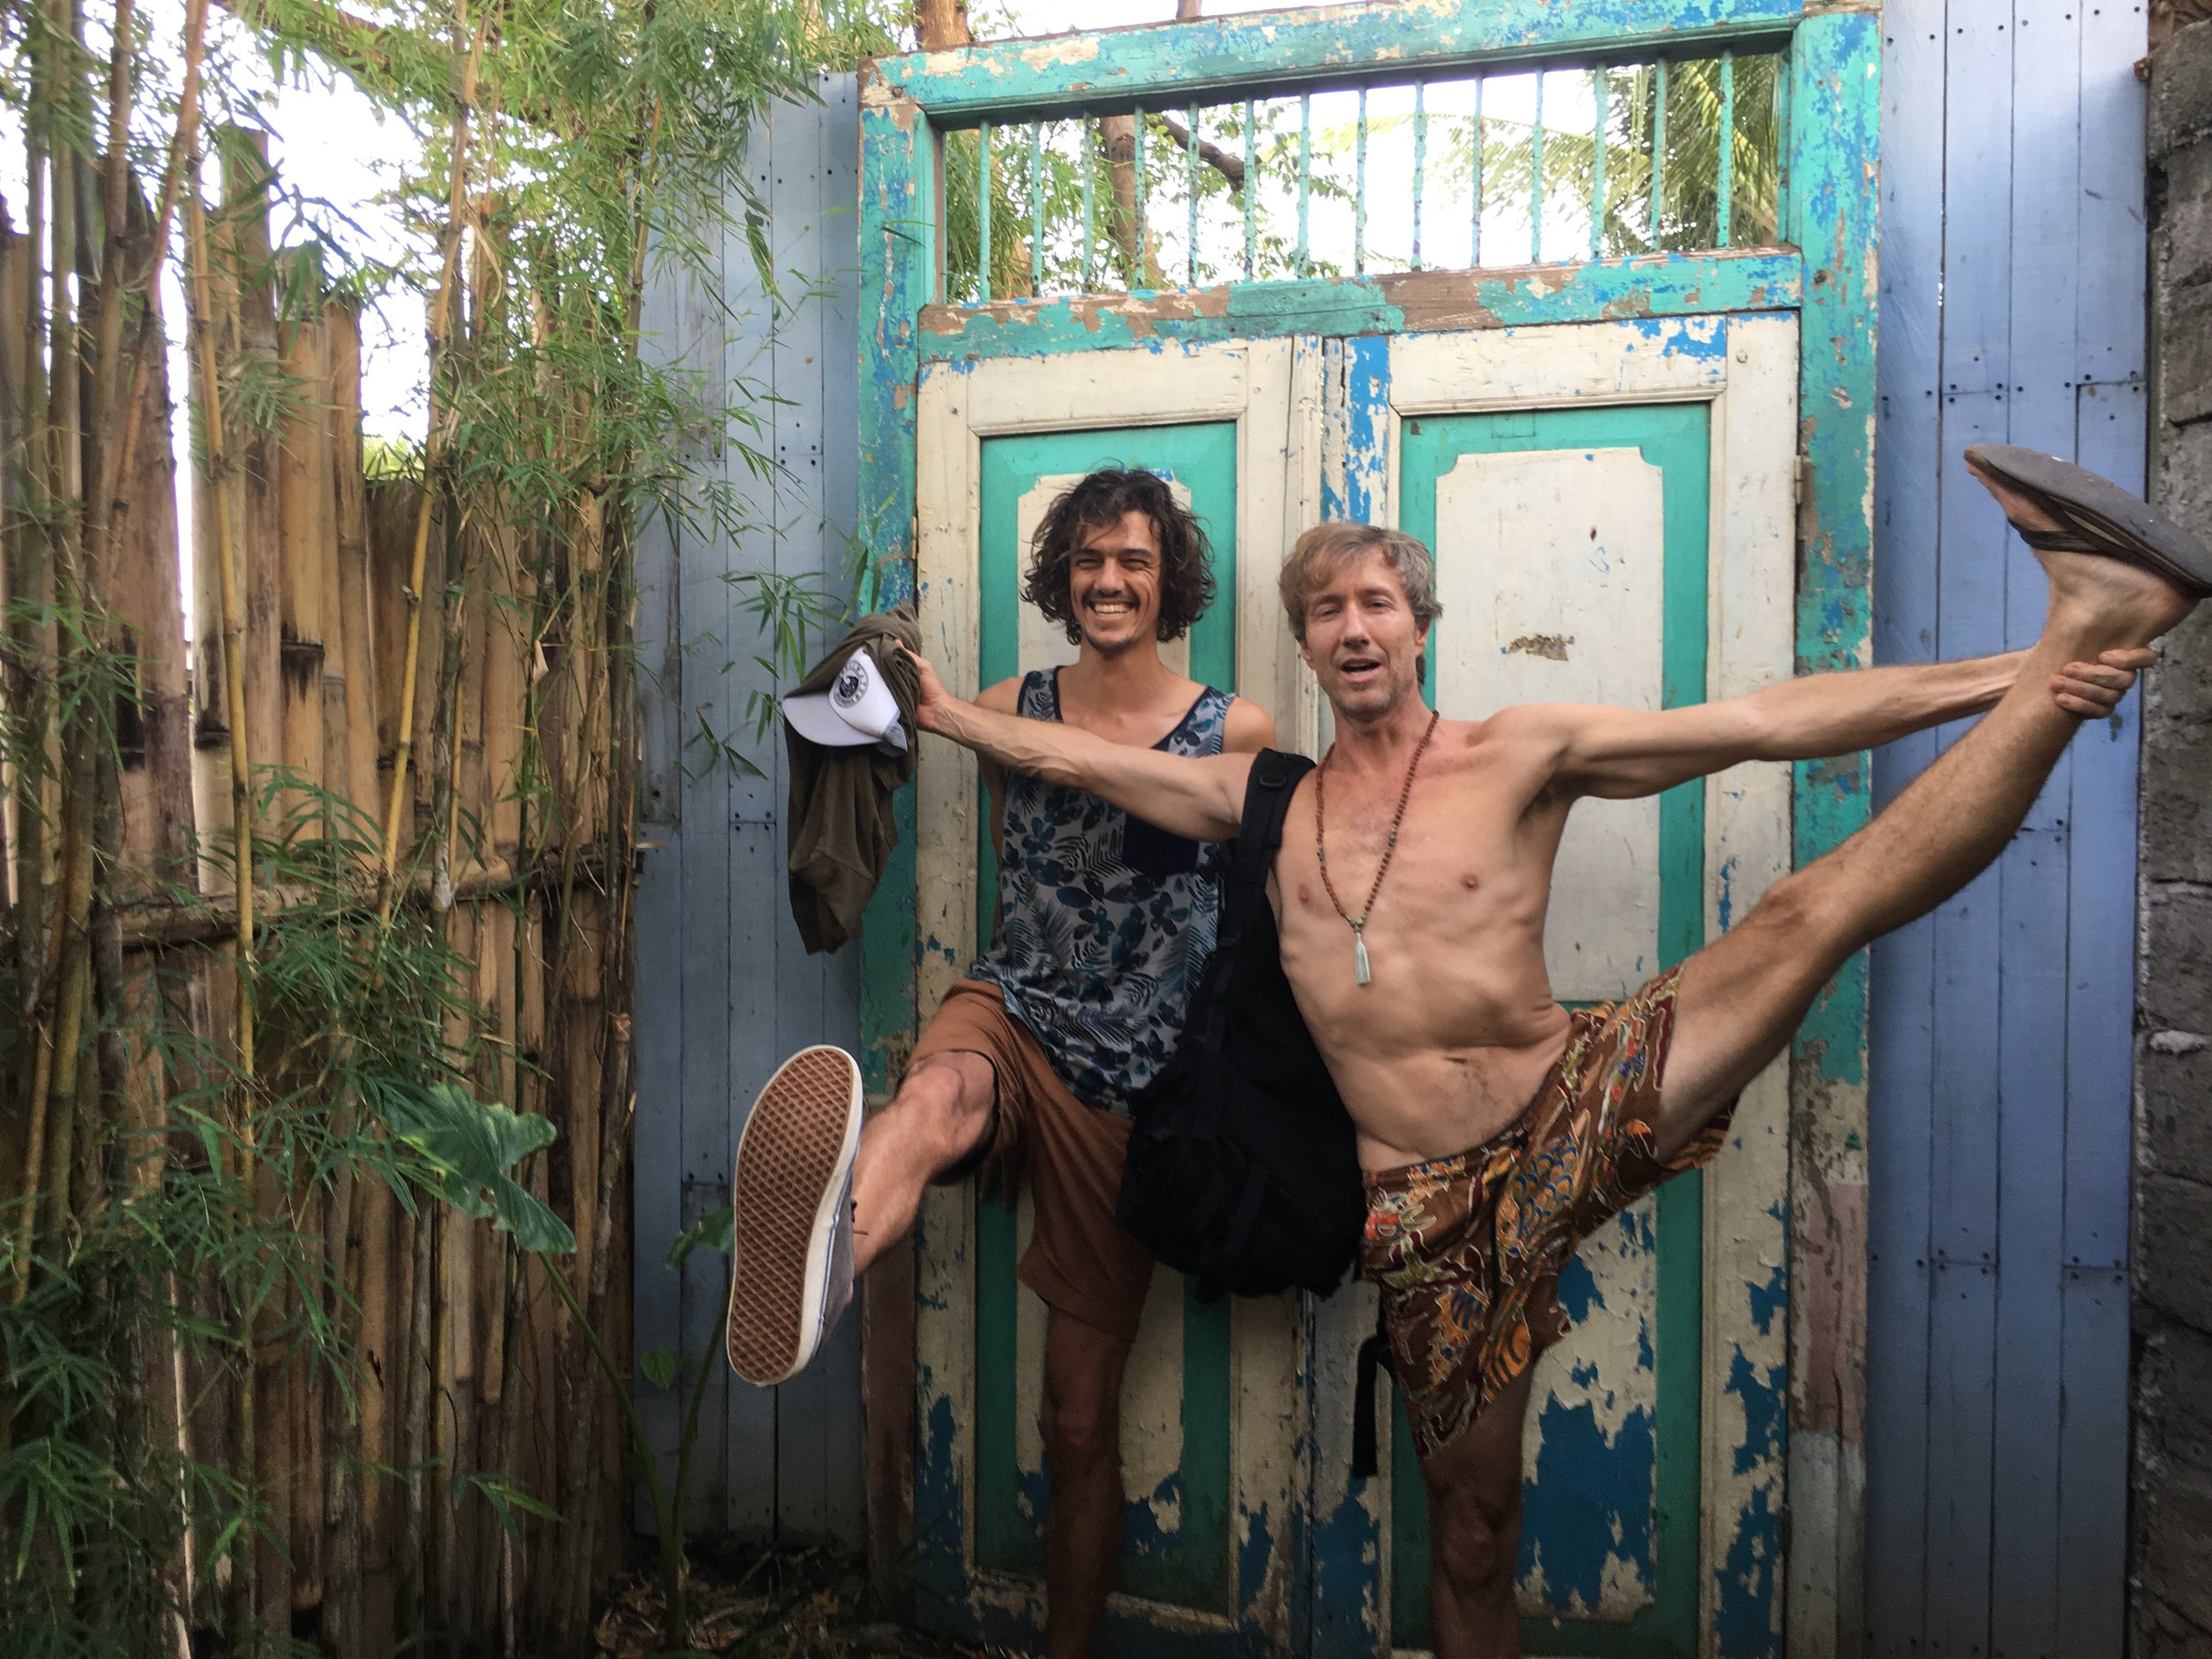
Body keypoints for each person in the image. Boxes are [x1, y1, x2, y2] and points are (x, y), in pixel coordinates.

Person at [899, 452, 2178, 1658]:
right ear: (1302, 641)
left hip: (1573, 1102)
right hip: (1430, 1208)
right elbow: (1077, 755)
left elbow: (1760, 722)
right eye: (1328, 609)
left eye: (1379, 603)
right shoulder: (1265, 799)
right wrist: (950, 716)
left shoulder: (1519, 751)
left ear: (1418, 624)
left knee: (1807, 914)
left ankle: (2088, 625)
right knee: (1472, 1531)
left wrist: (2014, 677)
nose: (1355, 628)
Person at [726, 468, 1275, 1659]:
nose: (1108, 580)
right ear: (1060, 580)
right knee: (937, 1091)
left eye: (1131, 558)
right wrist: (853, 704)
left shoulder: (1234, 728)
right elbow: (905, 781)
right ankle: (818, 1257)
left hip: (1138, 1083)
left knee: (1076, 1422)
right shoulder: (1006, 698)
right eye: (1086, 560)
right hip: (1014, 1004)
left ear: (1170, 575)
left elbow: (1193, 852)